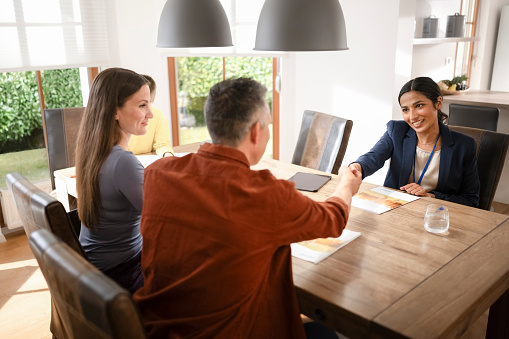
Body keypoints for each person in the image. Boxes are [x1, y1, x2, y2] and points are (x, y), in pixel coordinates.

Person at [133, 77, 362, 338]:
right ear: (256, 131)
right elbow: (333, 219)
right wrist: (346, 185)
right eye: (268, 126)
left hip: (156, 328)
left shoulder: (157, 174)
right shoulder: (263, 193)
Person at [75, 67, 153, 294]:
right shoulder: (123, 162)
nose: (150, 114)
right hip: (121, 273)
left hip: (96, 267)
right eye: (142, 105)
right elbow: (162, 223)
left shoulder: (92, 151)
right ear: (115, 112)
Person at [350, 76, 480, 207]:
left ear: (438, 103)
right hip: (394, 211)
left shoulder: (464, 146)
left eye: (419, 106)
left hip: (435, 215)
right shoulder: (396, 131)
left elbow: (471, 200)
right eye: (405, 109)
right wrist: (357, 167)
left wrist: (431, 196)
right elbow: (373, 158)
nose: (412, 117)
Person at [128, 74, 174, 157]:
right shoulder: (124, 116)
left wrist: (167, 155)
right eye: (141, 105)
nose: (149, 115)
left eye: (146, 104)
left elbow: (162, 144)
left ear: (153, 100)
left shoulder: (158, 116)